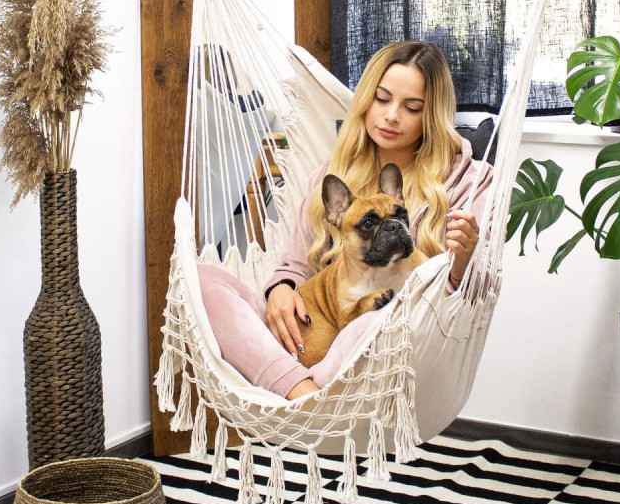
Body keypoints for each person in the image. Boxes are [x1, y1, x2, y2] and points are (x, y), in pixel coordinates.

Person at [198, 40, 493, 401]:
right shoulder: (332, 175)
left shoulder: (468, 181)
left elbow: (472, 299)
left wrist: (463, 259)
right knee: (202, 282)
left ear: (430, 114)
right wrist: (280, 290)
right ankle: (299, 390)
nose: (392, 116)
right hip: (303, 329)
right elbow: (294, 264)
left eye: (412, 107)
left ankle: (302, 395)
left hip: (381, 347)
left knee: (375, 316)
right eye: (382, 99)